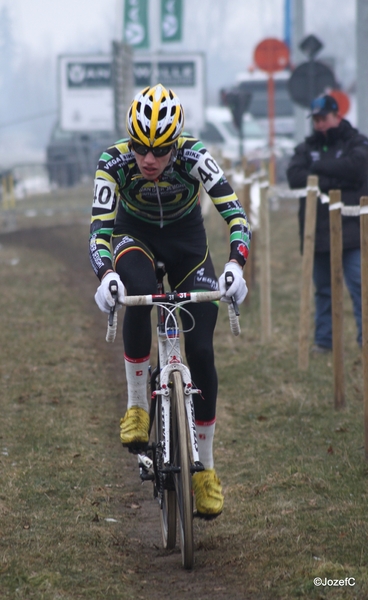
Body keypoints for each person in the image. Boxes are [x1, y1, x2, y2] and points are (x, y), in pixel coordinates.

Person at [89, 84, 251, 518]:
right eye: (141, 147)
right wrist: (106, 276)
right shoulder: (114, 161)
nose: (149, 159)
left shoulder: (195, 156)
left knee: (201, 350)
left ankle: (206, 471)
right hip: (133, 237)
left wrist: (236, 265)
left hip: (186, 242)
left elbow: (236, 215)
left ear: (176, 142)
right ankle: (138, 404)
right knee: (137, 293)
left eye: (160, 150)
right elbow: (99, 232)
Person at [287, 94, 368, 353]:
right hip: (318, 232)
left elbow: (357, 169)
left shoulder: (355, 141)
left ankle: (364, 338)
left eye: (324, 119)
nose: (320, 124)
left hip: (353, 230)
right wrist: (336, 179)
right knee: (323, 289)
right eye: (316, 120)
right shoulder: (306, 146)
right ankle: (324, 341)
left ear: (337, 116)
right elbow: (294, 176)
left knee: (360, 285)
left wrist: (318, 169)